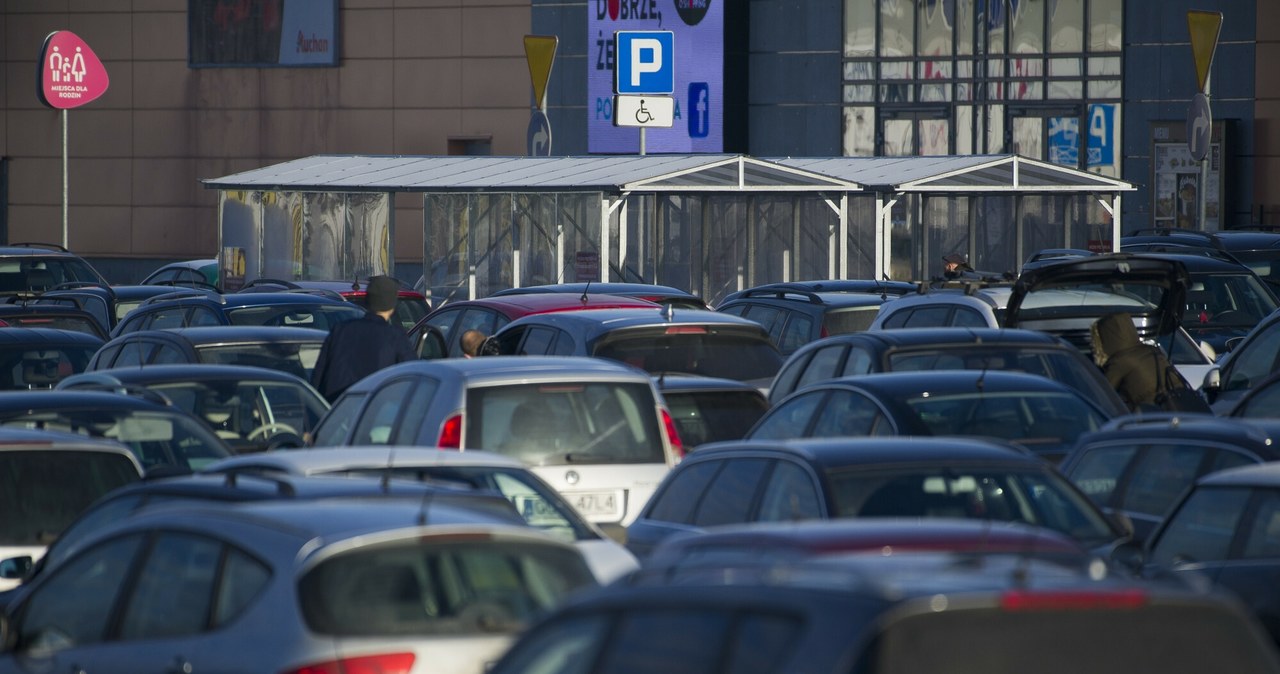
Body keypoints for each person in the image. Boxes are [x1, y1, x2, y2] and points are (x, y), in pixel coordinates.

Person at [311, 275, 416, 402]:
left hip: (337, 412)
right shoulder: (395, 337)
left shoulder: (340, 331)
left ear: (367, 301)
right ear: (392, 305)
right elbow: (414, 379)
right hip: (375, 415)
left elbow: (317, 379)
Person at [1090, 312, 1193, 412]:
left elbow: (1102, 393)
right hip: (1181, 404)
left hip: (1153, 413)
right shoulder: (1151, 350)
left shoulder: (1120, 361)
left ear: (1106, 340)